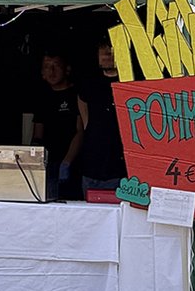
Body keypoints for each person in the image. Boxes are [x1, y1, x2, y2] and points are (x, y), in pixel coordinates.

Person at [32, 53, 84, 201]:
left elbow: (80, 131)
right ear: (42, 73)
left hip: (73, 163)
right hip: (48, 164)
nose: (52, 71)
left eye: (56, 66)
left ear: (67, 69)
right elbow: (37, 134)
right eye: (47, 67)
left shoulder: (77, 94)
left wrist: (67, 162)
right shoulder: (42, 96)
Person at [77, 40, 128, 194]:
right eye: (103, 50)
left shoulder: (130, 81)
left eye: (111, 50)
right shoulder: (90, 82)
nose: (107, 55)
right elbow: (82, 99)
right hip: (92, 164)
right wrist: (88, 125)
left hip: (121, 167)